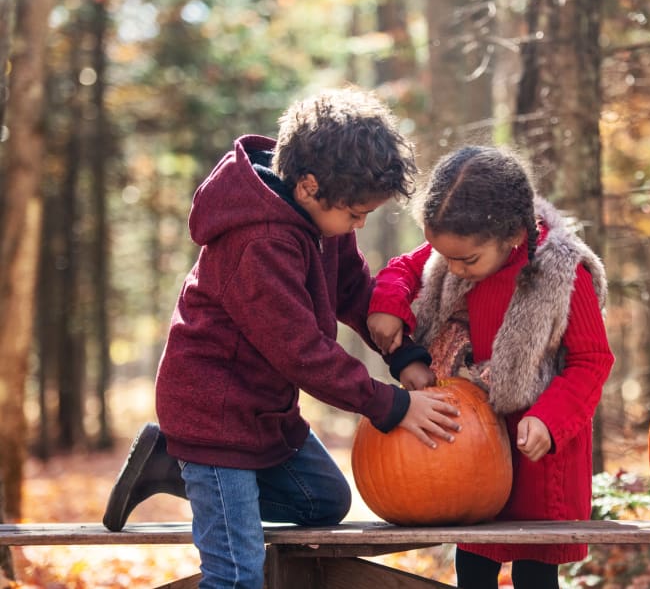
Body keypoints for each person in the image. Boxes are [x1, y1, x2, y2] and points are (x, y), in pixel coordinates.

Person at [102, 87, 462, 589]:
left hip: (264, 412)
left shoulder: (322, 219)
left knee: (323, 502)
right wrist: (392, 406)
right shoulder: (258, 244)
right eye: (355, 214)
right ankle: (195, 469)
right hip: (215, 418)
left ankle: (169, 465)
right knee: (236, 575)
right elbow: (303, 354)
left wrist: (402, 354)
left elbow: (352, 287)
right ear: (310, 188)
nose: (357, 224)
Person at [367, 146, 614, 589]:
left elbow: (591, 360)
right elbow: (404, 268)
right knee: (475, 567)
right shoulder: (458, 248)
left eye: (467, 261)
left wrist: (550, 420)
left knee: (534, 574)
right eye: (447, 259)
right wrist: (387, 304)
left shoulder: (561, 274)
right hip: (472, 451)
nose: (456, 270)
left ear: (514, 235)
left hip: (536, 448)